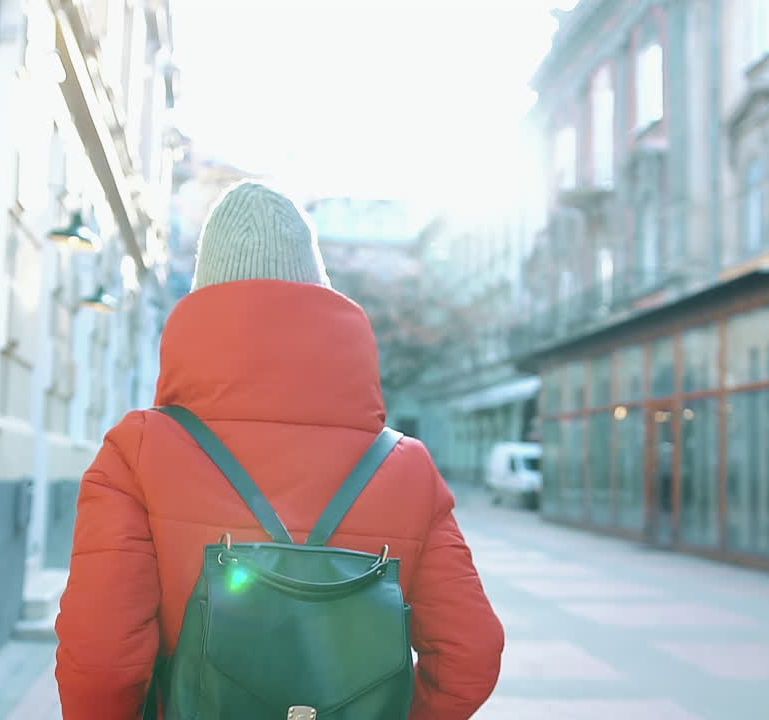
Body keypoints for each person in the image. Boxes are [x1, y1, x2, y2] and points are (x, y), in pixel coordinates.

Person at [54, 181, 504, 719]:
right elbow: (471, 652)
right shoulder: (408, 466)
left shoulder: (137, 451)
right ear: (322, 292)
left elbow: (101, 658)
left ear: (202, 300)